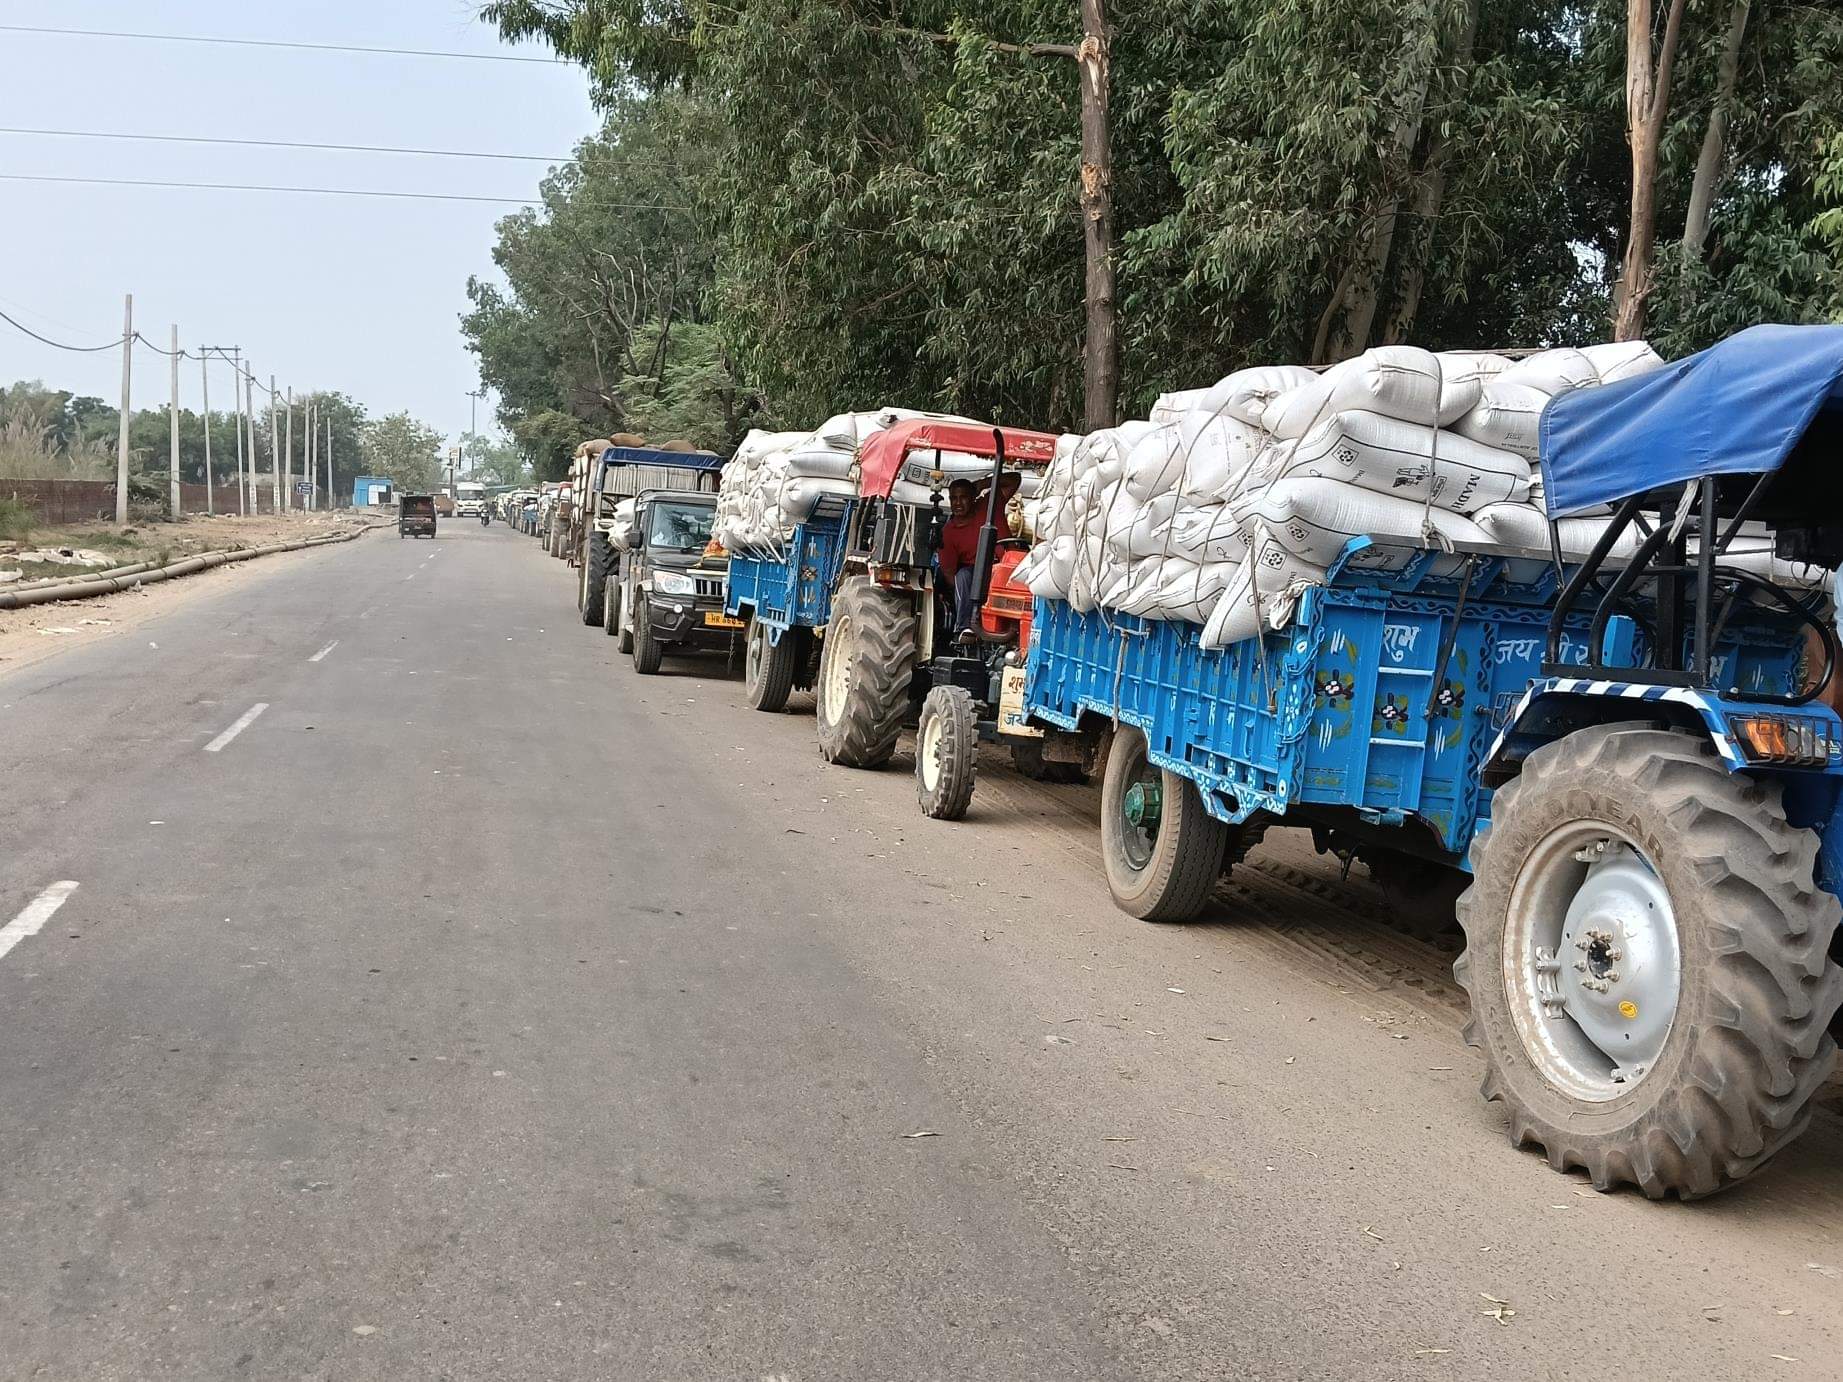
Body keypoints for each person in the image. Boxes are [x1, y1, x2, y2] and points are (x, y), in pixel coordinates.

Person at [935, 474, 1021, 634]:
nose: (958, 503)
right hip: (977, 576)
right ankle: (965, 628)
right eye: (954, 498)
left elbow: (1014, 479)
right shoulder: (948, 533)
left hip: (1010, 567)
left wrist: (982, 484)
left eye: (964, 497)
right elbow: (949, 574)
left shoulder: (989, 504)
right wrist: (975, 596)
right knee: (963, 577)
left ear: (973, 497)